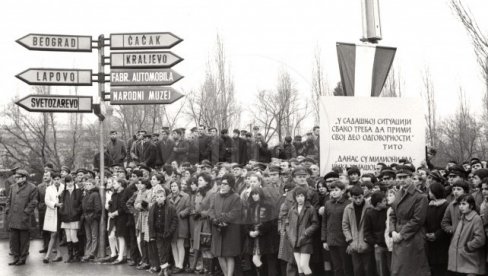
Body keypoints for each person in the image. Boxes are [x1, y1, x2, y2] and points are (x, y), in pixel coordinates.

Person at [388, 166, 430, 276]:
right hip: (398, 235)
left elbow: (418, 220)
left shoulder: (420, 196)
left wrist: (401, 234)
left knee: (411, 270)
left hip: (412, 238)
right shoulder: (398, 194)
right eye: (399, 177)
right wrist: (392, 232)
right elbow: (392, 214)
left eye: (404, 177)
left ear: (411, 177)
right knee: (397, 270)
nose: (401, 180)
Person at [208, 173, 243, 276]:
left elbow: (236, 212)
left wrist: (221, 218)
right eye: (221, 183)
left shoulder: (236, 197)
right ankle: (225, 274)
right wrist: (214, 219)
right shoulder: (216, 196)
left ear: (231, 186)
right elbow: (211, 210)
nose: (222, 186)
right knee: (219, 255)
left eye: (225, 184)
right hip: (217, 229)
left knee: (229, 255)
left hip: (230, 230)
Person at [243, 187, 278, 276]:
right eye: (253, 194)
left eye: (256, 194)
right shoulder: (250, 206)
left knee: (265, 261)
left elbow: (271, 222)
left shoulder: (268, 206)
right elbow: (246, 222)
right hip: (254, 238)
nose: (254, 196)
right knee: (255, 260)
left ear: (260, 194)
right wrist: (249, 232)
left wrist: (260, 231)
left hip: (266, 238)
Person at [447, 194, 486, 275]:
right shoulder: (463, 218)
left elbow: (480, 239)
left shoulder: (476, 218)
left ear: (471, 206)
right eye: (460, 204)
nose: (461, 206)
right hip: (460, 259)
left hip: (469, 259)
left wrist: (467, 247)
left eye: (464, 204)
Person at [6, 169, 38, 266]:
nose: (16, 179)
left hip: (24, 218)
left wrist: (26, 212)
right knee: (13, 239)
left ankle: (22, 258)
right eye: (15, 177)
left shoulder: (32, 188)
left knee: (24, 240)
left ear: (24, 178)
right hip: (13, 217)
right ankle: (16, 258)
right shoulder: (13, 187)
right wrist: (8, 209)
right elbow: (9, 200)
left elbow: (33, 202)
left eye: (18, 177)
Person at [286, 186, 319, 276]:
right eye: (297, 196)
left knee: (304, 265)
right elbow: (287, 223)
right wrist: (290, 234)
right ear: (294, 198)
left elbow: (315, 224)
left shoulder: (310, 208)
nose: (300, 198)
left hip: (306, 241)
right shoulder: (292, 209)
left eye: (302, 196)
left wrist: (306, 233)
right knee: (299, 268)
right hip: (295, 241)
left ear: (305, 196)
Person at [342, 185, 375, 276]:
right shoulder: (348, 208)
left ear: (363, 195)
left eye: (360, 197)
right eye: (355, 198)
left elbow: (373, 227)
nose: (358, 200)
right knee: (357, 270)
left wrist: (369, 241)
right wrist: (350, 240)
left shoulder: (370, 208)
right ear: (351, 197)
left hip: (367, 245)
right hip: (354, 246)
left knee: (368, 269)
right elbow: (345, 226)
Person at [322, 180, 352, 276]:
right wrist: (324, 240)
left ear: (343, 191)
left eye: (336, 190)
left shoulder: (348, 204)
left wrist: (350, 241)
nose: (333, 192)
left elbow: (350, 224)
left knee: (346, 266)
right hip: (331, 240)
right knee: (336, 266)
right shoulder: (328, 204)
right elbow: (324, 222)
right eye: (332, 190)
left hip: (344, 240)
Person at [148, 188, 178, 276]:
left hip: (166, 233)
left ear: (165, 197)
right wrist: (152, 232)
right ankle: (164, 269)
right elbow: (150, 220)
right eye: (157, 197)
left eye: (161, 196)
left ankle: (164, 269)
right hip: (157, 233)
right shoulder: (153, 207)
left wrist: (170, 231)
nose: (159, 198)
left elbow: (174, 220)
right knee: (160, 250)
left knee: (166, 251)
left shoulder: (170, 207)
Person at [424, 183, 449, 276]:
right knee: (433, 266)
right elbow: (425, 222)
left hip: (442, 241)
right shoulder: (430, 205)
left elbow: (446, 223)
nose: (429, 193)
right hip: (430, 241)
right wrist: (427, 233)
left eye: (430, 191)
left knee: (442, 266)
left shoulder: (446, 205)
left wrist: (436, 235)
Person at [363, 191, 389, 276]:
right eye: (384, 201)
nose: (387, 202)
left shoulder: (388, 210)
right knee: (381, 269)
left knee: (392, 268)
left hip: (389, 244)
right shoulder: (369, 213)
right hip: (378, 246)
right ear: (378, 204)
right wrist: (374, 243)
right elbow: (367, 231)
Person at [59, 174, 83, 263]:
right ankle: (70, 256)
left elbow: (81, 204)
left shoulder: (78, 191)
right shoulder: (63, 192)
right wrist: (62, 212)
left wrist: (77, 212)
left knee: (73, 236)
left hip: (74, 217)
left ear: (73, 181)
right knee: (68, 238)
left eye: (71, 181)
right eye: (67, 182)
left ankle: (77, 255)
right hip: (65, 217)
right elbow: (60, 203)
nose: (69, 183)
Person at [168, 181, 191, 273]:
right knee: (173, 244)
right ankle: (176, 263)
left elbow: (189, 208)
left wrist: (181, 214)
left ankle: (180, 265)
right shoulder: (168, 197)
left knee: (180, 244)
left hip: (181, 223)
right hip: (171, 224)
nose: (173, 188)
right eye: (172, 186)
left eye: (175, 186)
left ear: (179, 186)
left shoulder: (185, 196)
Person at [42, 172, 64, 263]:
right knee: (54, 234)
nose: (56, 181)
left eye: (58, 179)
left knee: (56, 234)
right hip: (54, 212)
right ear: (52, 179)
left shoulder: (64, 187)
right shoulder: (49, 189)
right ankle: (48, 256)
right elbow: (46, 201)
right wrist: (55, 204)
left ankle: (57, 254)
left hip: (62, 213)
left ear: (60, 179)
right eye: (54, 179)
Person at [81, 179, 102, 262]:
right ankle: (87, 252)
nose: (88, 186)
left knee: (94, 236)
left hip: (92, 217)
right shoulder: (86, 194)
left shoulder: (95, 194)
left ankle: (92, 253)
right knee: (88, 237)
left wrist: (94, 216)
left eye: (90, 184)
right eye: (87, 184)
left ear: (93, 185)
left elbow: (98, 207)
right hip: (86, 217)